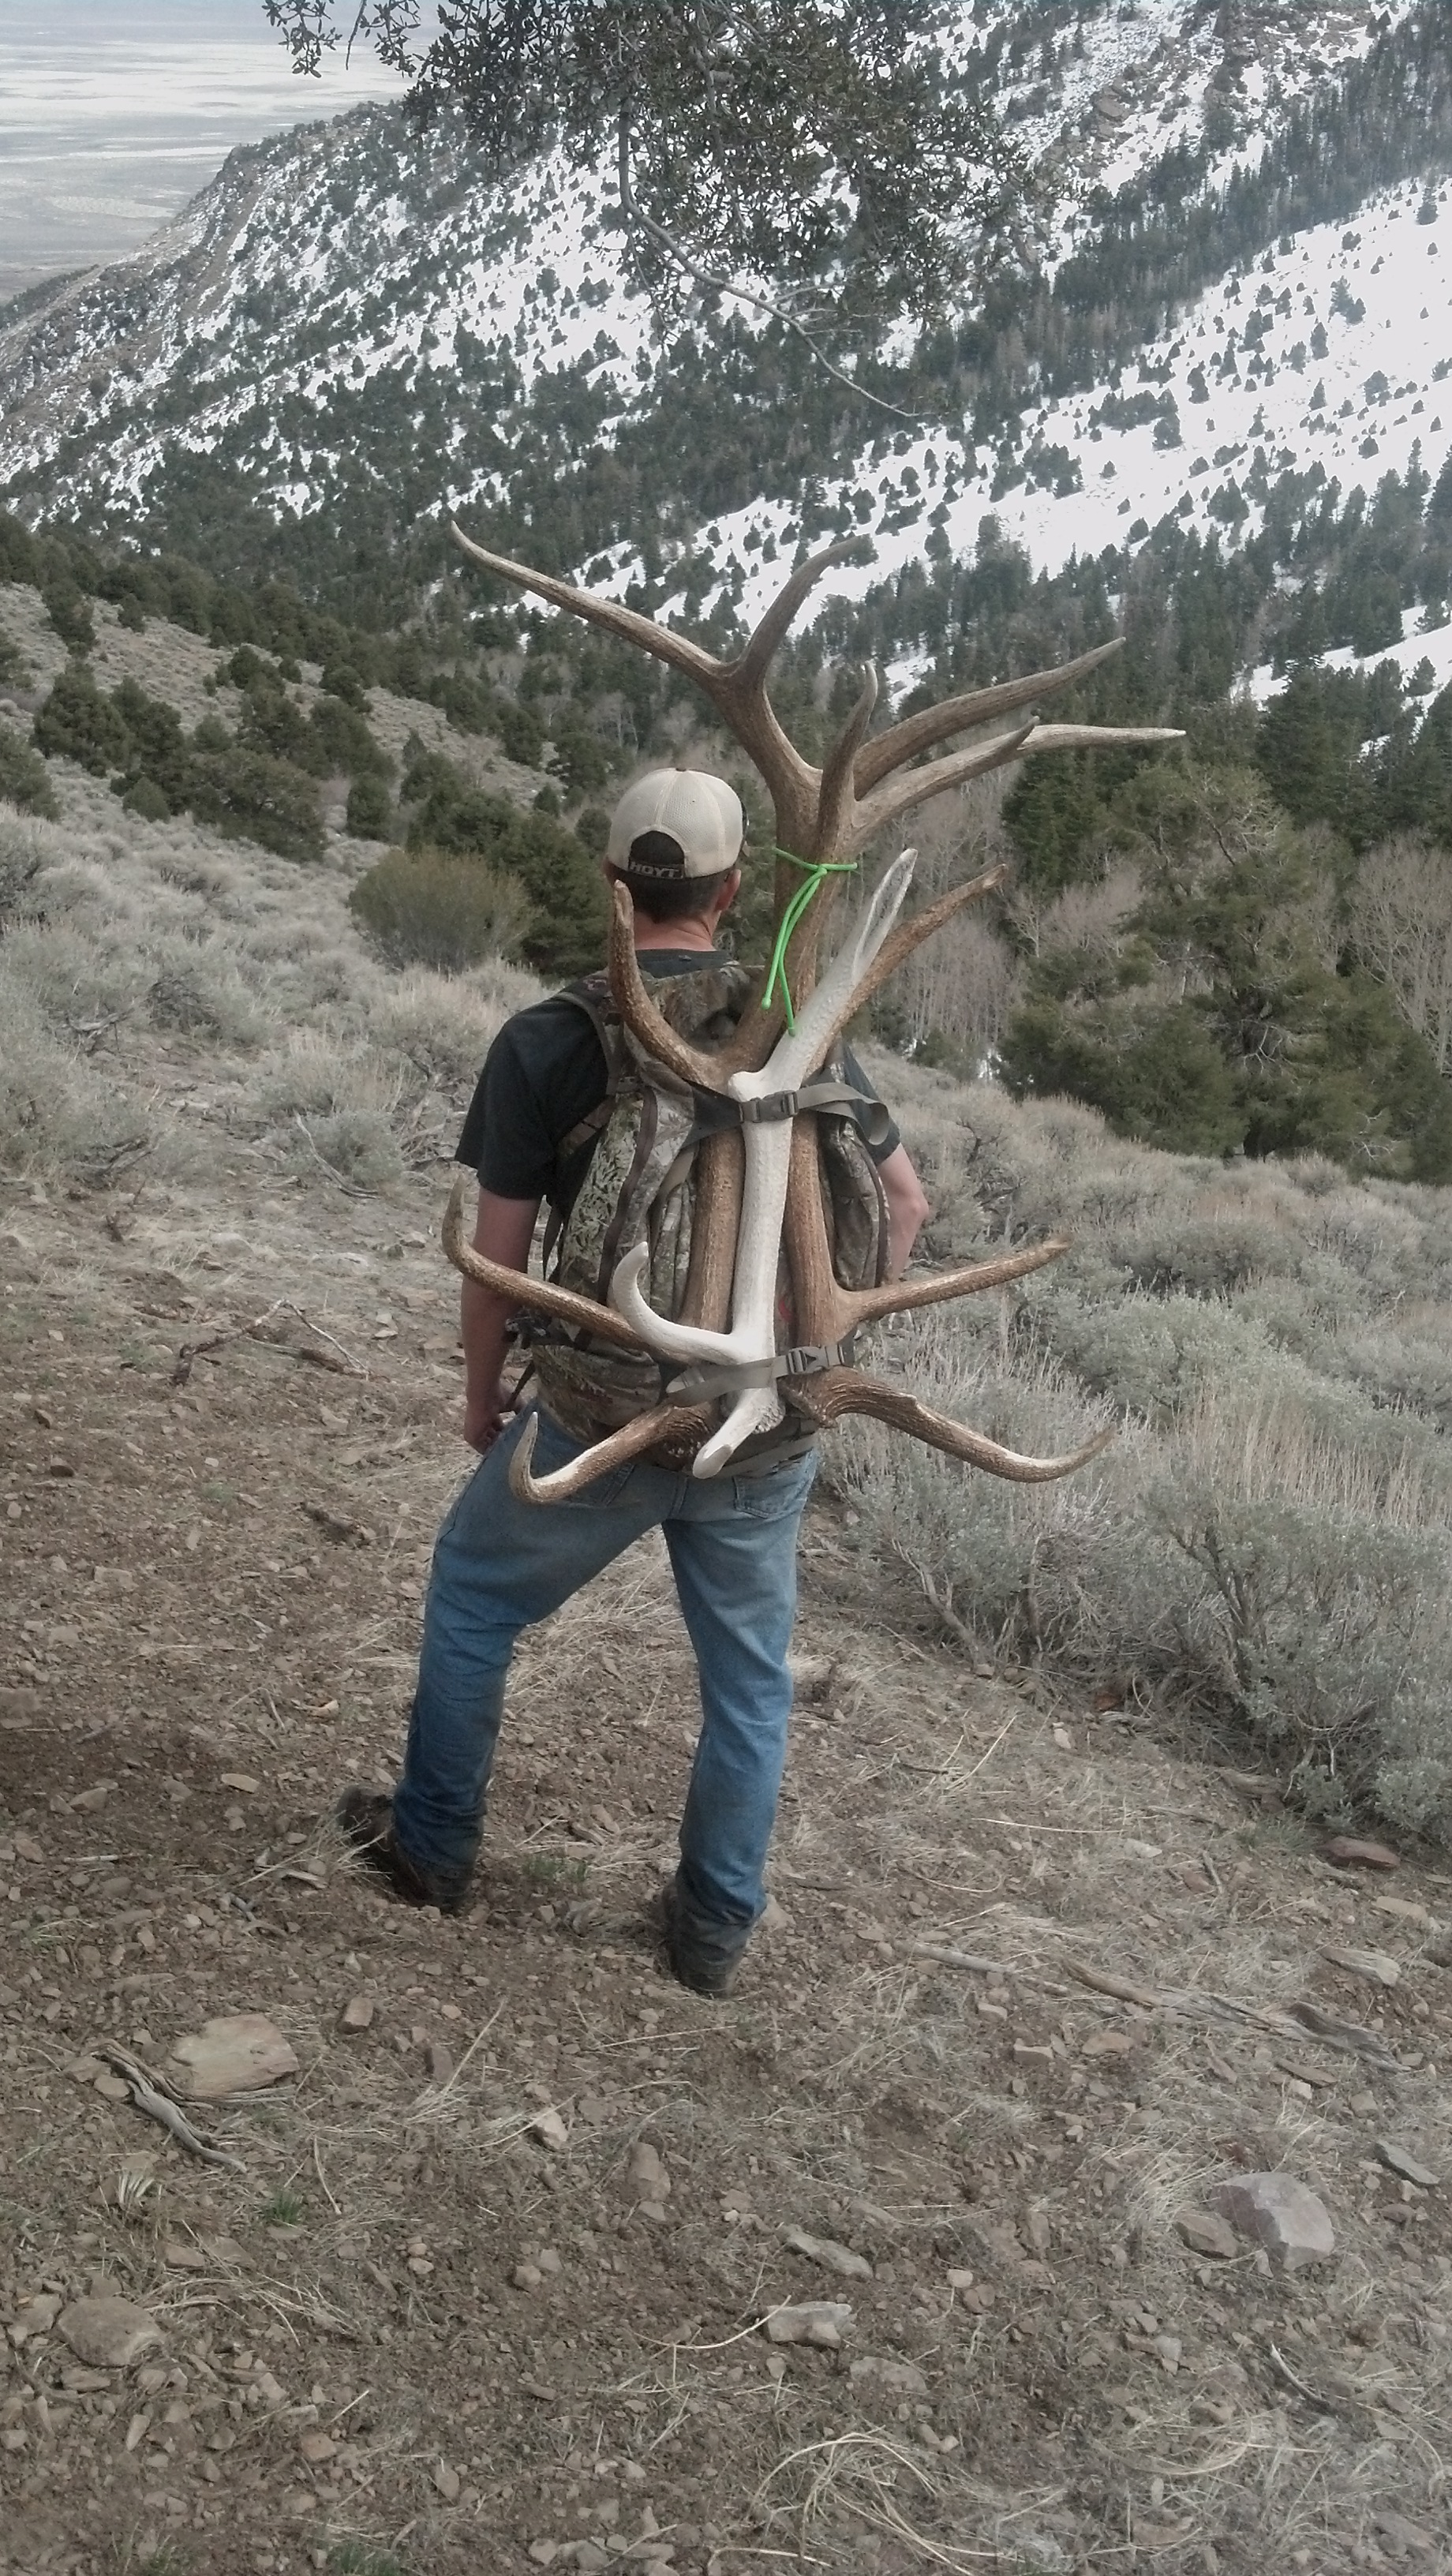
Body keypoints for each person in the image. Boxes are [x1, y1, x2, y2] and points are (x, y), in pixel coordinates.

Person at [339, 769, 930, 1993]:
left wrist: (479, 1393)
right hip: (764, 1423)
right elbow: (906, 1203)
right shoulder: (802, 1031)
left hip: (600, 1416)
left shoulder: (549, 1035)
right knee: (749, 1683)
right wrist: (814, 1354)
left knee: (472, 1601)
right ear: (728, 892)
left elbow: (493, 1260)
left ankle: (434, 1850)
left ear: (614, 885)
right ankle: (712, 1930)